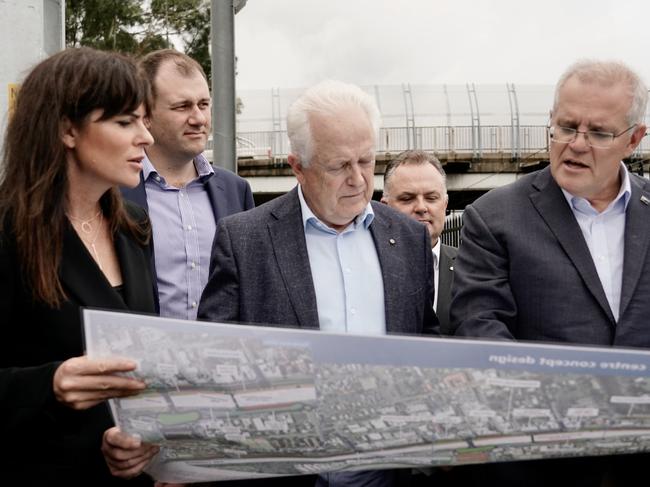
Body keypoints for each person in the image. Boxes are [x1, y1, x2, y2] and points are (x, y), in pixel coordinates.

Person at [105, 80, 439, 486]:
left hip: (388, 476)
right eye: (338, 166)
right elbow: (213, 363)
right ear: (297, 165)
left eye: (366, 162)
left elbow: (427, 346)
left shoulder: (407, 238)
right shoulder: (245, 240)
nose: (357, 179)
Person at [451, 60, 649, 486]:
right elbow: (479, 331)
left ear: (634, 139)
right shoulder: (494, 217)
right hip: (542, 462)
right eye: (565, 126)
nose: (576, 144)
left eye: (598, 132)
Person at [0, 47, 159, 484]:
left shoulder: (134, 226)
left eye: (144, 121)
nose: (145, 137)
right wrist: (48, 385)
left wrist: (142, 443)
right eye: (125, 122)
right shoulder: (8, 231)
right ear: (68, 129)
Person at [121, 49, 254, 320]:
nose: (199, 119)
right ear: (145, 114)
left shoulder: (236, 191)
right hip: (142, 357)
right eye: (182, 106)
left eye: (203, 104)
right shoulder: (113, 192)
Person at [381, 150, 457, 334]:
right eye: (407, 199)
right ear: (385, 207)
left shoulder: (473, 267)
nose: (422, 208)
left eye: (431, 198)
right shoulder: (368, 267)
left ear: (445, 205)